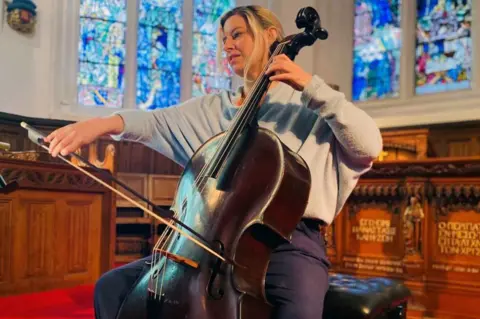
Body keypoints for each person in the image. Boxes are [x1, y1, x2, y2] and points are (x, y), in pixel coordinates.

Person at [45, 5, 383, 319]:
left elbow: (368, 144)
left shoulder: (310, 103)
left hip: (286, 243)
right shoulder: (213, 109)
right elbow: (151, 123)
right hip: (210, 241)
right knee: (113, 287)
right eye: (224, 40)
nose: (228, 46)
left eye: (237, 34)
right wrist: (97, 125)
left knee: (299, 310)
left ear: (269, 35)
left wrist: (309, 85)